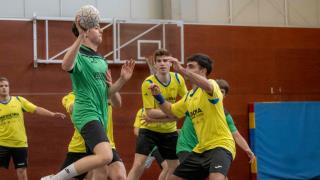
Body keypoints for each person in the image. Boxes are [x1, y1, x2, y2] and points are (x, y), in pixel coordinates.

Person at [41, 15, 135, 180]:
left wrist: (122, 80)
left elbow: (107, 95)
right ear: (85, 31)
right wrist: (79, 36)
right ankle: (54, 179)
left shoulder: (101, 60)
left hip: (100, 116)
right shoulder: (79, 54)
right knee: (105, 157)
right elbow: (65, 65)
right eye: (97, 27)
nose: (101, 30)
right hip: (86, 112)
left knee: (110, 169)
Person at [148, 54, 235, 180]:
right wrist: (158, 96)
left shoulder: (212, 85)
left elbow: (208, 86)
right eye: (187, 66)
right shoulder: (189, 96)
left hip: (221, 145)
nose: (186, 69)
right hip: (201, 149)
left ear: (203, 70)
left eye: (191, 67)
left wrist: (182, 70)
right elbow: (171, 111)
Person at [127, 49, 188, 180]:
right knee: (138, 165)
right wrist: (173, 113)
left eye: (165, 60)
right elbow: (150, 112)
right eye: (159, 61)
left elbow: (187, 104)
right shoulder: (148, 83)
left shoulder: (178, 79)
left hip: (169, 131)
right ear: (154, 65)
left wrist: (170, 113)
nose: (162, 63)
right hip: (148, 131)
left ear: (171, 63)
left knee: (175, 167)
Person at [0, 77, 66, 180]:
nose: (4, 88)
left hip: (20, 143)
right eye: (1, 86)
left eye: (6, 86)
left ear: (9, 87)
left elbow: (36, 109)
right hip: (2, 143)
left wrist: (52, 114)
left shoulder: (19, 100)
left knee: (21, 171)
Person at [61, 90, 126, 180]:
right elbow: (73, 108)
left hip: (104, 144)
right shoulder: (71, 96)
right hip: (79, 148)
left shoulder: (104, 92)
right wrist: (94, 99)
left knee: (119, 176)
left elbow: (117, 103)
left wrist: (112, 86)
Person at [133, 108, 168, 179]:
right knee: (138, 168)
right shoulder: (142, 111)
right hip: (150, 143)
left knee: (168, 167)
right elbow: (136, 130)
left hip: (162, 144)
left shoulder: (164, 110)